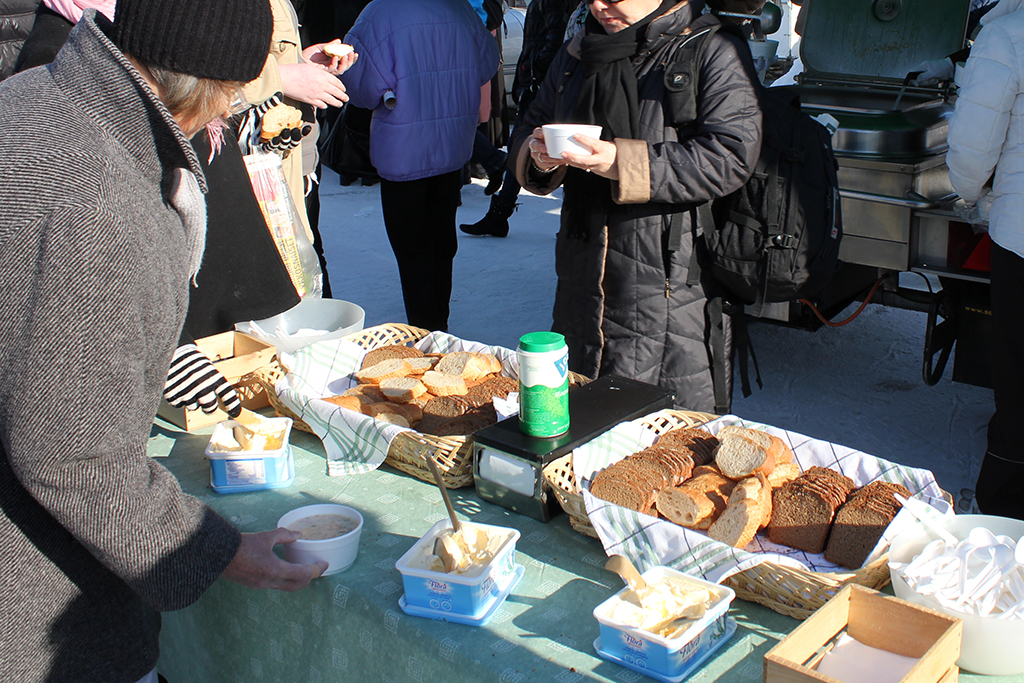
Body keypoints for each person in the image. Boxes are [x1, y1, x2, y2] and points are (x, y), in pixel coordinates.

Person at [0, 2, 329, 680]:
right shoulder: (103, 198)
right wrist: (221, 551)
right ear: (203, 87)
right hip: (38, 616)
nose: (226, 120)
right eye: (231, 99)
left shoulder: (30, 95)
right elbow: (76, 459)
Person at [509, 0, 761, 413]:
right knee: (581, 409)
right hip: (581, 266)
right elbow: (530, 122)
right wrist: (538, 156)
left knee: (658, 438)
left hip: (670, 277)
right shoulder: (577, 51)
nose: (598, 5)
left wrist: (617, 162)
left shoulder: (710, 48)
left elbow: (730, 157)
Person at [340, 0, 499, 332]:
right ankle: (439, 322)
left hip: (404, 149)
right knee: (442, 240)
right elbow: (486, 63)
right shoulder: (459, 9)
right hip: (452, 143)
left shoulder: (381, 11)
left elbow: (360, 85)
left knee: (412, 249)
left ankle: (425, 331)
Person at [947, 0, 1024, 520]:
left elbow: (973, 150)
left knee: (1019, 388)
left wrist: (966, 193)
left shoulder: (1009, 33)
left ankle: (1002, 521)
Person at [460, 0, 579, 237]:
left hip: (543, 84)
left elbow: (555, 39)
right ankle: (499, 214)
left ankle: (570, 222)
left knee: (551, 150)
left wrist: (530, 69)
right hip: (544, 82)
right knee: (524, 147)